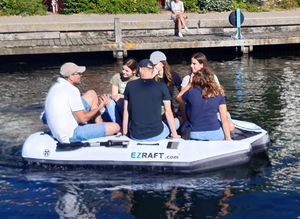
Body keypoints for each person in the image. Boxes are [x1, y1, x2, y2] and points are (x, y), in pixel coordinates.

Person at [45, 62, 120, 143]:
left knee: (92, 94)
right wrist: (101, 105)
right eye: (79, 73)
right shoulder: (72, 90)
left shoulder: (55, 87)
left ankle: (99, 124)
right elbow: (83, 119)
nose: (81, 75)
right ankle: (100, 129)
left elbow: (44, 118)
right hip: (70, 134)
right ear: (71, 76)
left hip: (60, 129)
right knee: (116, 127)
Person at [123, 59, 180, 141]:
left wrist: (125, 133)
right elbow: (169, 112)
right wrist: (175, 135)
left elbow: (126, 111)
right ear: (153, 70)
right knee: (177, 121)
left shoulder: (130, 85)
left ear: (140, 69)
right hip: (156, 135)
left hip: (136, 135)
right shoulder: (161, 86)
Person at [176, 69, 232, 141]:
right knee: (226, 116)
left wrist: (189, 84)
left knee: (185, 125)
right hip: (215, 135)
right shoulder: (218, 94)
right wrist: (228, 138)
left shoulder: (191, 93)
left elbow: (178, 99)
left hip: (195, 135)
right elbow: (224, 119)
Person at [107, 59, 139, 125]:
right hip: (119, 103)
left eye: (127, 71)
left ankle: (129, 124)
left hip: (131, 105)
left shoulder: (137, 80)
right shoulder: (117, 77)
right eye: (123, 69)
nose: (124, 72)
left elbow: (137, 97)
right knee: (108, 102)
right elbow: (114, 95)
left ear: (134, 71)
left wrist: (123, 97)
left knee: (126, 103)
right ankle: (119, 125)